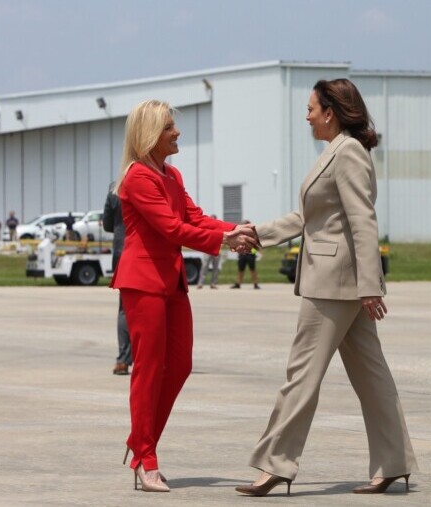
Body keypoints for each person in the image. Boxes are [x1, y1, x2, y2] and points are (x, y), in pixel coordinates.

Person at [236, 79, 417, 497]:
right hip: (341, 282)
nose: (307, 116)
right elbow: (307, 218)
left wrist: (371, 285)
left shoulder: (348, 152)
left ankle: (276, 463)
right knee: (372, 377)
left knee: (301, 375)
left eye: (311, 108)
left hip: (334, 284)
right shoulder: (334, 152)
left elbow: (363, 221)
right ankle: (395, 463)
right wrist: (258, 232)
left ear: (330, 112)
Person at [110, 99, 257, 493]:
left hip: (170, 284)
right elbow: (172, 229)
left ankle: (140, 444)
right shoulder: (138, 177)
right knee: (147, 369)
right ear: (150, 135)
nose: (177, 133)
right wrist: (224, 240)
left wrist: (237, 229)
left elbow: (193, 218)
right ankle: (146, 456)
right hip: (143, 283)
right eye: (169, 127)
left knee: (179, 365)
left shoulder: (170, 176)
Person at [103, 182, 131, 375]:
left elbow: (107, 224)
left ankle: (122, 359)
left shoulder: (115, 188)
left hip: (120, 252)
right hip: (143, 250)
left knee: (124, 308)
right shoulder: (148, 181)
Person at [197, 214, 222, 289]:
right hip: (207, 250)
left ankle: (213, 283)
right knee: (204, 266)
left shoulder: (219, 228)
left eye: (213, 219)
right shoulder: (206, 228)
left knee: (216, 268)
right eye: (211, 219)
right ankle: (200, 283)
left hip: (217, 250)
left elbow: (223, 238)